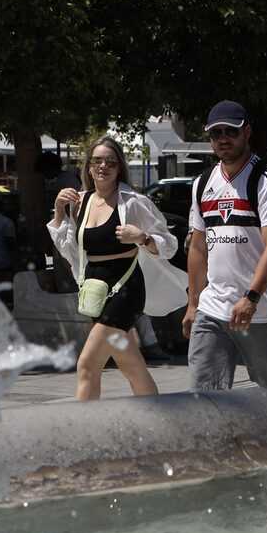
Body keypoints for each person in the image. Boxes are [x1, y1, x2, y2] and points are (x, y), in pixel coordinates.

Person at [48, 137, 178, 400]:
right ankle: (159, 418)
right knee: (132, 366)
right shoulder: (80, 202)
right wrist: (59, 211)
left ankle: (85, 426)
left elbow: (169, 245)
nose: (103, 166)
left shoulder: (133, 202)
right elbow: (69, 250)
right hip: (96, 290)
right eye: (97, 161)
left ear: (119, 167)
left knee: (87, 364)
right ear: (88, 167)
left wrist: (142, 238)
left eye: (110, 162)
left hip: (125, 290)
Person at [183, 100, 267, 390]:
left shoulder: (266, 180)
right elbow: (198, 247)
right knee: (204, 395)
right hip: (212, 309)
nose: (223, 139)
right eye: (216, 133)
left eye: (230, 131)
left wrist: (251, 298)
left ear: (246, 132)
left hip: (261, 309)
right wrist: (193, 303)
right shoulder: (202, 183)